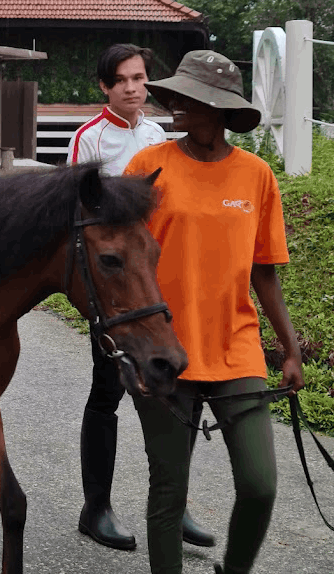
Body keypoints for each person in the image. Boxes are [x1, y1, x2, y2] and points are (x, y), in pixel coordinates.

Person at [126, 49, 305, 574]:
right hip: (164, 353)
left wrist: (290, 352)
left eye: (189, 98)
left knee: (260, 484)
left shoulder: (256, 176)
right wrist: (130, 351)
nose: (175, 105)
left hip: (237, 348)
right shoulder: (147, 168)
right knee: (169, 494)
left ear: (219, 109)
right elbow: (121, 266)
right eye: (176, 95)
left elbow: (265, 273)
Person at [68, 44, 214, 551]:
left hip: (154, 280)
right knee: (107, 394)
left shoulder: (158, 136)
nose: (133, 87)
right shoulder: (90, 139)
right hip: (113, 288)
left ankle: (176, 505)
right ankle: (96, 507)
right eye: (122, 80)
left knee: (178, 393)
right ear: (105, 87)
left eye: (140, 78)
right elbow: (77, 214)